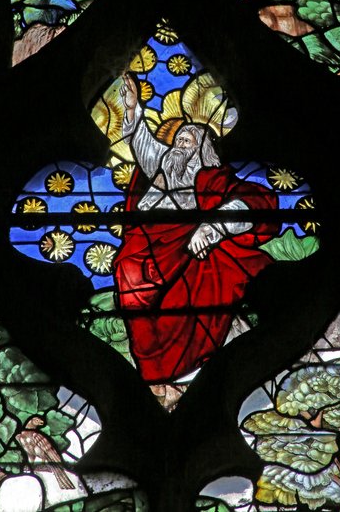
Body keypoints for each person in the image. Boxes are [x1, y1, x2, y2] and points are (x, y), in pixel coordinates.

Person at [114, 74, 279, 383]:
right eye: (178, 139)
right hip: (140, 249)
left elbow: (253, 204)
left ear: (202, 151)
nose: (179, 144)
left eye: (187, 141)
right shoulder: (164, 164)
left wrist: (209, 229)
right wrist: (133, 108)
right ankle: (155, 376)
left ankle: (176, 373)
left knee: (182, 308)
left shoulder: (212, 179)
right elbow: (143, 144)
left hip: (184, 255)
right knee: (130, 287)